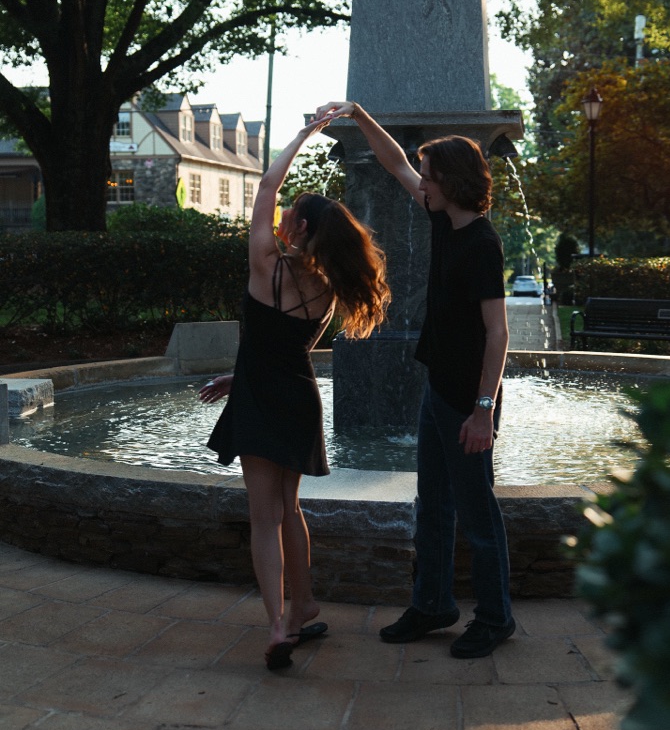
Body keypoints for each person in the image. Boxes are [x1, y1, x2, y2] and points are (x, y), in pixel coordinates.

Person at [314, 101, 514, 659]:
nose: (419, 183)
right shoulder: (443, 220)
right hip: (438, 391)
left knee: (478, 512)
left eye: (429, 177)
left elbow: (497, 334)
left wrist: (483, 409)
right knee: (433, 505)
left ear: (449, 182)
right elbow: (396, 161)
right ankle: (433, 604)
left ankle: (496, 617)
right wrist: (358, 113)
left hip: (466, 399)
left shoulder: (481, 245)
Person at [200, 118, 391, 671]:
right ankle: (304, 601)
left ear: (299, 225)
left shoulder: (267, 267)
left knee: (264, 517)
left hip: (265, 401)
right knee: (289, 508)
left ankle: (278, 626)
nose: (277, 218)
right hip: (297, 395)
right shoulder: (330, 286)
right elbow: (282, 350)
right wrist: (239, 376)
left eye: (287, 217)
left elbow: (265, 187)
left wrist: (306, 135)